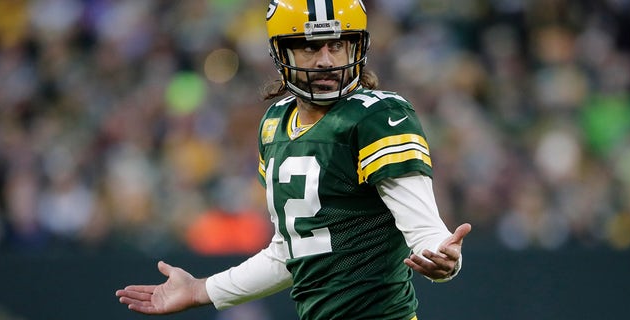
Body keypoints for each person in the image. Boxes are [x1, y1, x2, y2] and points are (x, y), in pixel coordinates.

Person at [115, 1, 472, 319]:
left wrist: (441, 256)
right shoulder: (275, 123)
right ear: (281, 53)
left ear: (356, 46)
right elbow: (291, 252)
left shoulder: (378, 116)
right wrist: (199, 290)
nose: (326, 60)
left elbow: (423, 227)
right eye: (309, 47)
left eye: (337, 44)